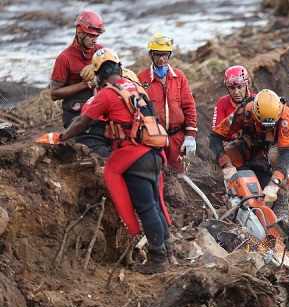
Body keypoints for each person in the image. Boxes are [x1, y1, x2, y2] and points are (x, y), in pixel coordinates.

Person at [37, 48, 173, 274]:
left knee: (146, 207)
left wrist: (61, 137)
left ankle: (158, 259)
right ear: (119, 68)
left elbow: (82, 121)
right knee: (156, 205)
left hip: (134, 157)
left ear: (98, 74)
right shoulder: (137, 87)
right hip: (155, 153)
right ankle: (169, 251)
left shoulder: (108, 94)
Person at [209, 89, 289, 221]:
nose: (266, 128)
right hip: (250, 144)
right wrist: (226, 164)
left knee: (277, 157)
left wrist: (275, 182)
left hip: (273, 149)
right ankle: (230, 193)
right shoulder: (244, 112)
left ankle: (281, 206)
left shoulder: (284, 115)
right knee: (223, 156)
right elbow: (215, 136)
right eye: (262, 123)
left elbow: (287, 152)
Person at [49, 10, 112, 157]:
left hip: (101, 110)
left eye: (97, 36)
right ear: (79, 31)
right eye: (91, 36)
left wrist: (98, 71)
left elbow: (116, 77)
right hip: (77, 114)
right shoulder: (65, 58)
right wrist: (84, 84)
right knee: (98, 149)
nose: (94, 40)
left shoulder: (101, 52)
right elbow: (54, 93)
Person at [138, 33, 198, 173]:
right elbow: (138, 110)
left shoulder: (179, 77)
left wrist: (190, 136)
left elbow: (189, 106)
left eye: (165, 55)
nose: (161, 59)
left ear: (169, 55)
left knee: (179, 175)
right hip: (153, 137)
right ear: (151, 55)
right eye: (158, 55)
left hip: (177, 137)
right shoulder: (142, 78)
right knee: (156, 174)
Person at [211, 65, 256, 134]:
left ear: (247, 84)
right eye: (232, 88)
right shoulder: (222, 103)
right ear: (227, 88)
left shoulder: (257, 100)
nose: (236, 92)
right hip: (231, 142)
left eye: (239, 87)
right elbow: (215, 133)